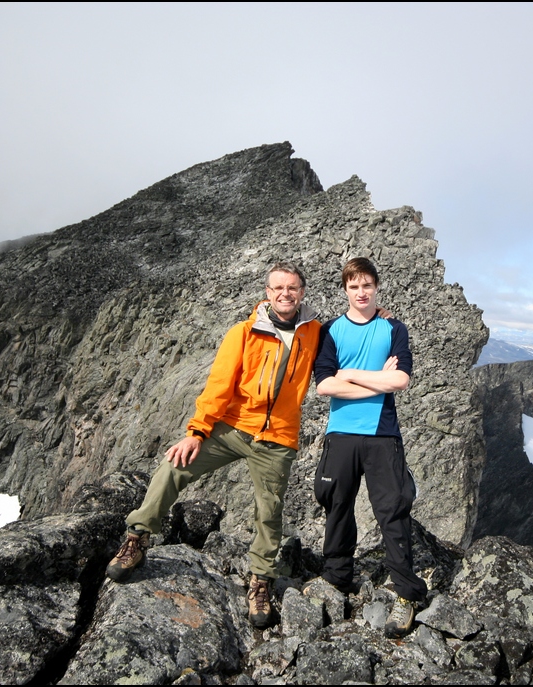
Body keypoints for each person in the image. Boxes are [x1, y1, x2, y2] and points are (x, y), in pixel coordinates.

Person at [106, 262, 320, 630]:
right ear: (267, 293)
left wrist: (375, 313)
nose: (285, 294)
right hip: (233, 427)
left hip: (277, 438)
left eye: (292, 288)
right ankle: (137, 539)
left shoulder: (315, 332)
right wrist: (197, 432)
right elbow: (220, 383)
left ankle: (260, 581)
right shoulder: (244, 332)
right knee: (174, 465)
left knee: (269, 510)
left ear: (302, 292)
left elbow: (350, 334)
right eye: (278, 288)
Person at [313, 256, 428, 639]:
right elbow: (324, 385)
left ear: (376, 286)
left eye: (366, 285)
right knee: (337, 503)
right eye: (354, 286)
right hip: (341, 433)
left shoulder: (393, 327)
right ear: (345, 289)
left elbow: (401, 380)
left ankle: (406, 593)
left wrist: (350, 375)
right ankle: (337, 577)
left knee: (393, 509)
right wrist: (377, 379)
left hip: (383, 434)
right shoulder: (331, 331)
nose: (361, 292)